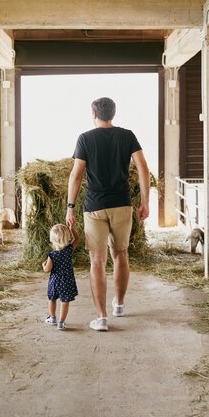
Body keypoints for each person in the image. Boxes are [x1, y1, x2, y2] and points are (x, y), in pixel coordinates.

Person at [66, 97, 150, 331]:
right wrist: (145, 202)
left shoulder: (85, 138)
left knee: (97, 261)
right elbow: (143, 167)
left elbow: (76, 175)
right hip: (122, 205)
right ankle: (119, 305)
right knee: (121, 255)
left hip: (94, 207)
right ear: (113, 113)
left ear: (94, 114)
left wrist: (70, 207)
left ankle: (101, 317)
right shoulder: (127, 136)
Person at [42, 223, 79, 330]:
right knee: (65, 301)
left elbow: (47, 270)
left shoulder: (52, 255)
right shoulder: (68, 250)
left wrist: (43, 265)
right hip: (67, 281)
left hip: (55, 282)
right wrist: (72, 229)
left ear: (53, 239)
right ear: (67, 237)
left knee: (52, 299)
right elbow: (76, 239)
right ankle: (61, 323)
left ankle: (52, 317)